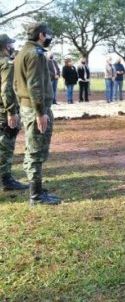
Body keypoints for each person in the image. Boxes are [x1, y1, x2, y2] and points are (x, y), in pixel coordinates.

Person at [13, 22, 61, 205]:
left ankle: (38, 190)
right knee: (36, 149)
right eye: (48, 34)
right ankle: (36, 195)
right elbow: (35, 85)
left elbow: (17, 84)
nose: (49, 37)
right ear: (41, 35)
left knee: (34, 147)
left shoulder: (22, 53)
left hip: (28, 107)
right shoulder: (36, 54)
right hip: (35, 109)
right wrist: (40, 112)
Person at [0, 34, 27, 191]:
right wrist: (11, 111)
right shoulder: (7, 64)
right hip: (4, 110)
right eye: (11, 44)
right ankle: (5, 180)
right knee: (6, 145)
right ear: (7, 46)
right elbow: (7, 89)